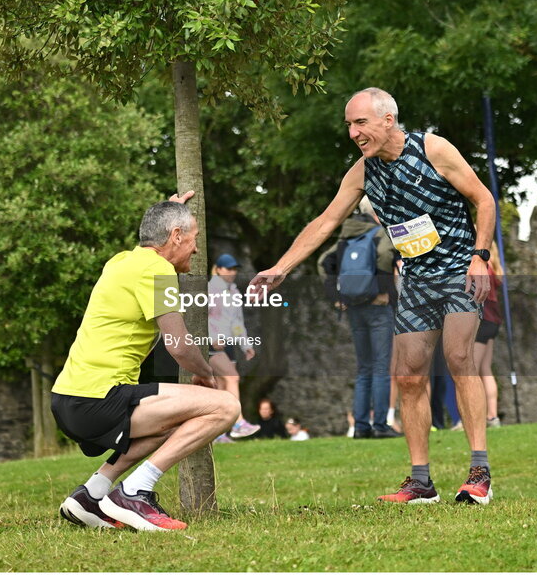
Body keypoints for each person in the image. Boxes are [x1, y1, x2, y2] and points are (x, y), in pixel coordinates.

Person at [251, 87, 497, 505]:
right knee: (408, 375)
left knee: (459, 357)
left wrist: (480, 257)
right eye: (349, 124)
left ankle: (479, 472)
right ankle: (421, 482)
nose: (353, 132)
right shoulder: (363, 172)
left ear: (388, 119)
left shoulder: (433, 148)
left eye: (359, 122)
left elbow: (484, 199)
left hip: (459, 270)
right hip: (416, 278)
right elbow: (326, 221)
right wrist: (282, 266)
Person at [53, 192, 239, 532]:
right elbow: (179, 346)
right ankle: (134, 492)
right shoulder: (158, 270)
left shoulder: (122, 261)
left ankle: (91, 496)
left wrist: (171, 214)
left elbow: (152, 243)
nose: (196, 249)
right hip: (100, 399)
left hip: (70, 398)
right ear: (176, 236)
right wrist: (208, 375)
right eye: (192, 238)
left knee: (174, 421)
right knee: (225, 406)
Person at [317, 203, 400, 439]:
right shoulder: (379, 232)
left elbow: (323, 262)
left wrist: (337, 297)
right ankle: (381, 425)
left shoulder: (346, 235)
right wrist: (382, 291)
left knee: (364, 368)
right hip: (377, 307)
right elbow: (385, 255)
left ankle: (361, 426)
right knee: (382, 367)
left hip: (353, 307)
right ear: (375, 212)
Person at [208, 253, 260, 439]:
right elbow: (201, 317)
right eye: (228, 268)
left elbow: (237, 322)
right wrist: (211, 338)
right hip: (213, 343)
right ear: (219, 269)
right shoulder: (210, 289)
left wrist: (245, 345)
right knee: (232, 378)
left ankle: (218, 433)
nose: (232, 272)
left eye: (235, 269)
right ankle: (238, 423)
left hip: (228, 343)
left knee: (222, 385)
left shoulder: (235, 292)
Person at [474, 241, 504, 428]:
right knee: (485, 369)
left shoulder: (482, 266)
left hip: (483, 320)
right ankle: (492, 416)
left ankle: (471, 418)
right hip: (493, 322)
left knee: (471, 371)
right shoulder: (494, 268)